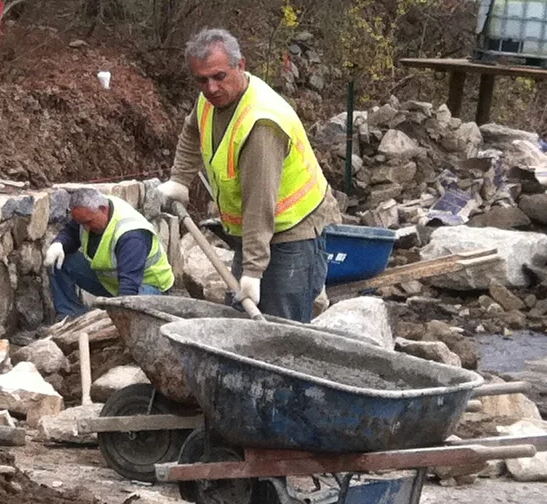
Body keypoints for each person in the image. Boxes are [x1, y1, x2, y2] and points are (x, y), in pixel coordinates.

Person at [164, 26, 332, 323]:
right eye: (202, 80)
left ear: (240, 65)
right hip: (252, 230)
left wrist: (253, 270)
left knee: (283, 326)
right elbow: (192, 130)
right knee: (244, 320)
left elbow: (259, 202)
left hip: (293, 231)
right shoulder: (210, 100)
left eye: (219, 76)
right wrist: (180, 179)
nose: (211, 88)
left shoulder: (261, 124)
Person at [45, 186, 174, 317]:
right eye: (82, 223)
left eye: (88, 222)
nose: (86, 228)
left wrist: (118, 316)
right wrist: (59, 244)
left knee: (134, 317)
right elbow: (71, 232)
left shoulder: (131, 235)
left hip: (147, 285)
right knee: (59, 260)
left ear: (103, 209)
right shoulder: (90, 211)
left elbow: (129, 287)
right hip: (111, 282)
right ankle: (70, 317)